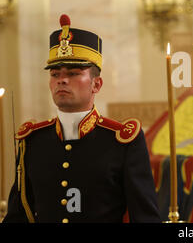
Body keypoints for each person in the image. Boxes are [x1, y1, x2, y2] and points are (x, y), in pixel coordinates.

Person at [2, 14, 161, 223]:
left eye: (74, 73)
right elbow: (18, 216)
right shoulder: (32, 141)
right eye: (55, 74)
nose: (62, 80)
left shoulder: (122, 142)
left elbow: (145, 218)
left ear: (96, 84)